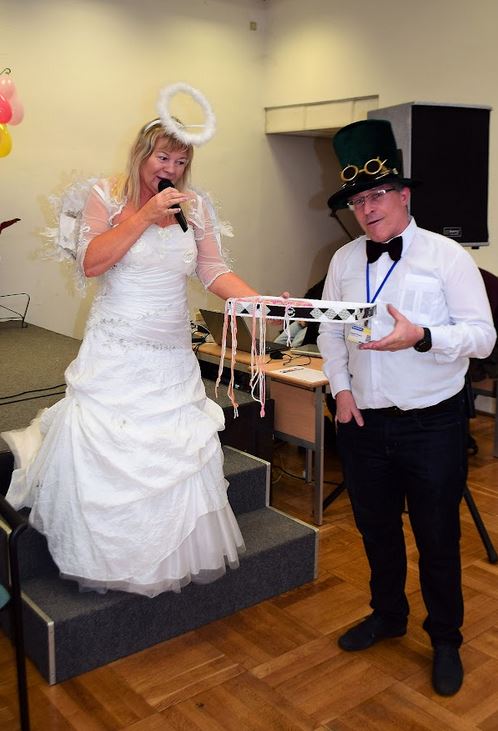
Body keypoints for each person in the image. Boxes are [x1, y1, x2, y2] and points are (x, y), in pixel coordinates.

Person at [2, 89, 259, 597]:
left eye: (181, 162)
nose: (171, 169)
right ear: (142, 154)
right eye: (163, 158)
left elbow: (212, 269)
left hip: (171, 351)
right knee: (110, 445)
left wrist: (257, 300)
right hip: (117, 346)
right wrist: (144, 217)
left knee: (173, 449)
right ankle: (105, 554)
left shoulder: (195, 207)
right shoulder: (106, 195)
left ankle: (168, 552)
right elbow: (92, 262)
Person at [317, 119, 496, 696]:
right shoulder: (343, 261)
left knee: (437, 538)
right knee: (376, 532)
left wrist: (422, 336)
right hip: (363, 423)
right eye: (358, 200)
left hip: (432, 424)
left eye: (377, 194)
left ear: (403, 195)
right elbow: (329, 332)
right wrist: (342, 391)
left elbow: (483, 337)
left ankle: (445, 638)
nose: (367, 208)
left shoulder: (447, 257)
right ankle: (388, 615)